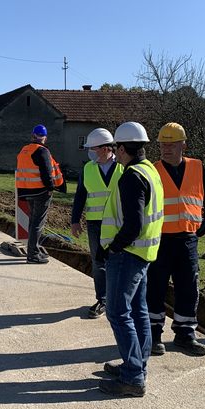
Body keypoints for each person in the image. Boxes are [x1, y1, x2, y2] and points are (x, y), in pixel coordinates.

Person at [98, 121, 164, 397]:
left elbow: (133, 224)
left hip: (127, 254)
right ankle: (136, 365)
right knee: (138, 311)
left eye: (116, 148)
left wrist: (113, 248)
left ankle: (133, 377)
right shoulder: (150, 171)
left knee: (117, 312)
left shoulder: (131, 177)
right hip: (144, 253)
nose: (115, 153)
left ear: (123, 149)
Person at [146, 123, 205, 357]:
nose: (166, 149)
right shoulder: (153, 170)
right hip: (160, 239)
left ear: (183, 145)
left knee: (188, 287)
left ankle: (185, 335)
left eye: (171, 145)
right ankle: (153, 335)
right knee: (155, 287)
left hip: (187, 239)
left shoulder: (197, 167)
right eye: (162, 145)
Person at [71, 128, 123, 318]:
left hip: (119, 224)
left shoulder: (123, 167)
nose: (90, 151)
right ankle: (103, 299)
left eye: (92, 148)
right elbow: (80, 196)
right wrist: (75, 220)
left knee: (120, 261)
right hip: (95, 224)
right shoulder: (88, 168)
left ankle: (120, 298)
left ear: (105, 148)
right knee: (98, 262)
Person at [16, 124, 65, 265]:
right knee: (37, 223)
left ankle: (33, 250)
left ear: (32, 136)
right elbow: (47, 172)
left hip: (27, 191)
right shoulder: (42, 151)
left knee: (33, 221)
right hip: (41, 192)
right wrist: (50, 188)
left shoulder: (24, 150)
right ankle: (33, 255)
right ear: (45, 138)